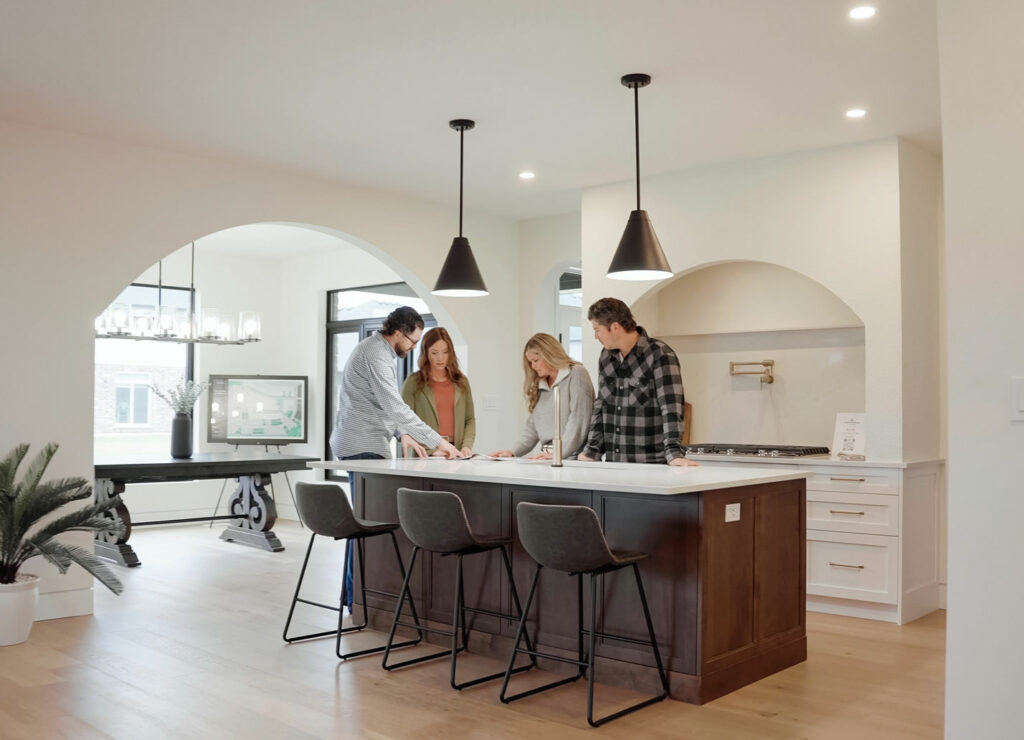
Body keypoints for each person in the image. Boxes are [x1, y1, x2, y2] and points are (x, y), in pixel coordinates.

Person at [330, 306, 461, 462]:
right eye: (413, 341)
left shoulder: (376, 349)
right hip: (363, 446)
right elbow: (395, 407)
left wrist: (402, 433)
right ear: (398, 333)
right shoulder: (376, 355)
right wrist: (439, 442)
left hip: (363, 443)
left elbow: (381, 402)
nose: (413, 347)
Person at [578, 298, 699, 467]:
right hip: (615, 463)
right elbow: (602, 405)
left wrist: (674, 453)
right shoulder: (606, 357)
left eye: (597, 330)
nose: (595, 336)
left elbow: (671, 408)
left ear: (614, 327)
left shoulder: (660, 354)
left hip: (651, 464)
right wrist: (592, 451)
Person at [490, 333, 594, 460]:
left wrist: (557, 454)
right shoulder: (541, 386)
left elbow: (578, 422)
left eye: (536, 360)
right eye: (530, 362)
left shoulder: (576, 374)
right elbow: (532, 429)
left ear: (550, 354)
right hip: (548, 457)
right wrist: (512, 452)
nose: (533, 366)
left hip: (572, 459)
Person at [401, 327, 476, 457]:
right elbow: (405, 420)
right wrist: (433, 451)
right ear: (426, 353)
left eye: (445, 352)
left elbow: (469, 419)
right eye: (434, 353)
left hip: (456, 453)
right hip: (426, 454)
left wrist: (466, 446)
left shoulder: (461, 381)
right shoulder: (413, 382)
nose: (440, 358)